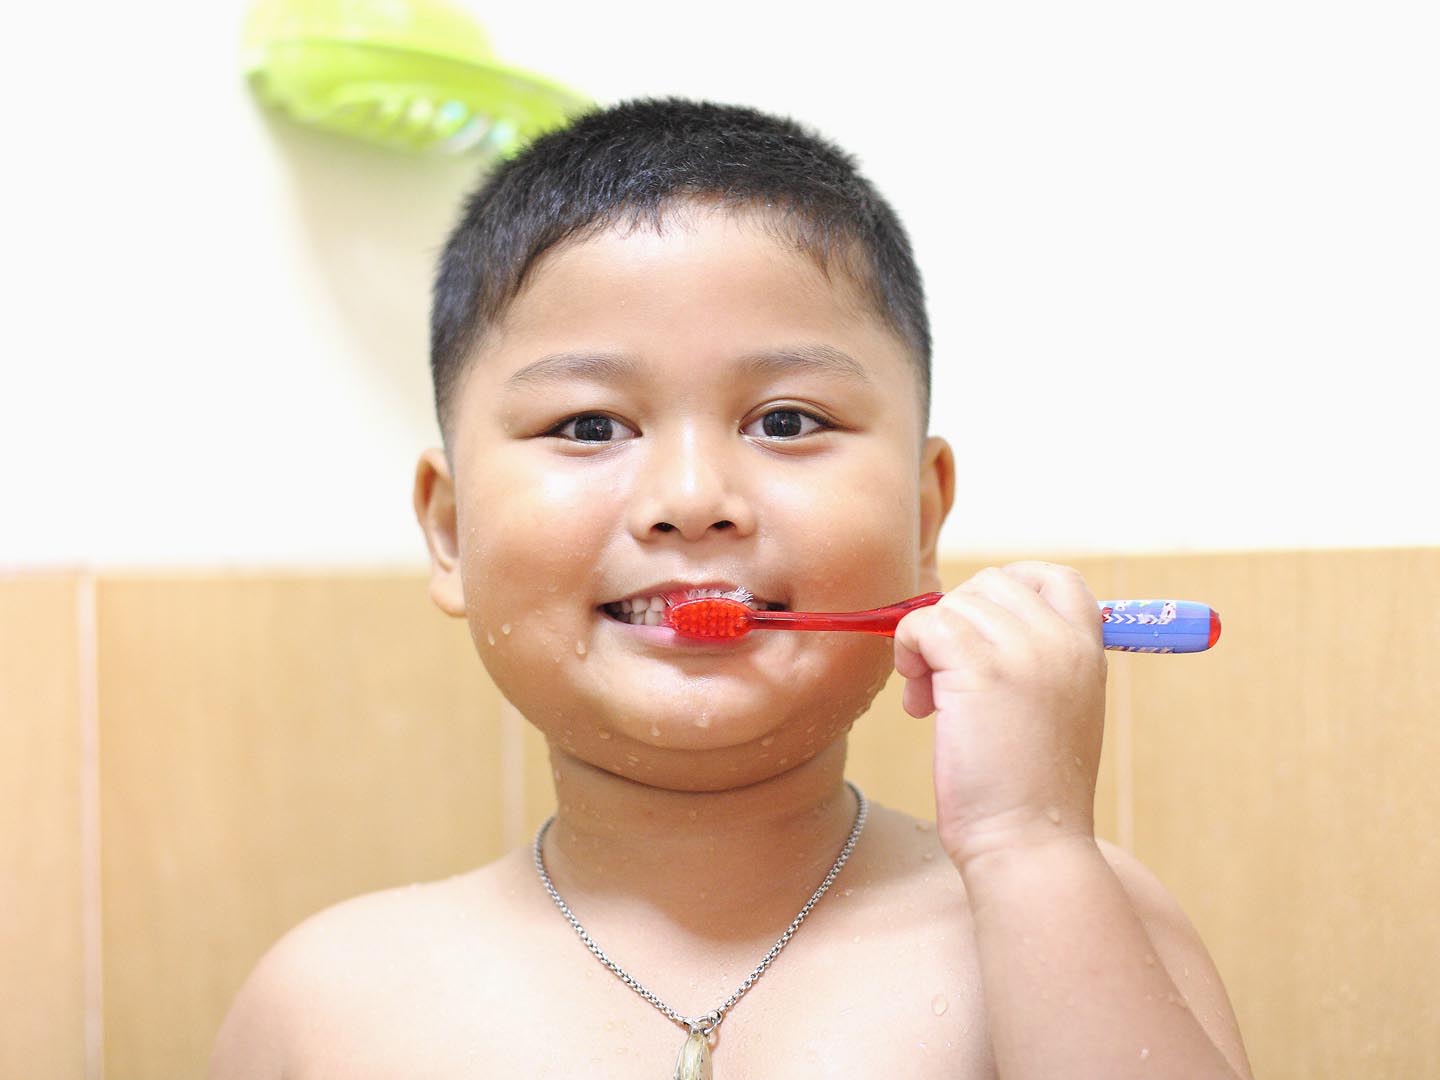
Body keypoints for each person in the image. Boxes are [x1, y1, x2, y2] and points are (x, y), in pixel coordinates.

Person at [210, 97, 1252, 1078]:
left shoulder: (1079, 920)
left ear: (923, 518)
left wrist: (1031, 845)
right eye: (588, 427)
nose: (692, 499)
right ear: (449, 531)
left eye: (788, 422)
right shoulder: (327, 1005)